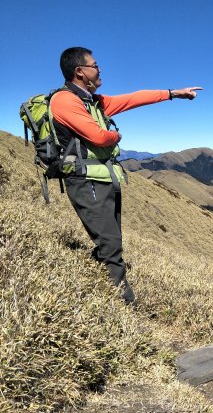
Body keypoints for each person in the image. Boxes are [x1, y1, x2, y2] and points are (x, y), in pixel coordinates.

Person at [50, 46, 201, 304]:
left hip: (102, 179)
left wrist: (173, 94)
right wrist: (117, 136)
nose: (99, 70)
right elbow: (98, 136)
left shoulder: (93, 101)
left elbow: (133, 98)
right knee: (110, 245)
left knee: (110, 239)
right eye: (95, 66)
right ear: (80, 71)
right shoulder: (64, 101)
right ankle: (124, 306)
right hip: (85, 180)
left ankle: (94, 286)